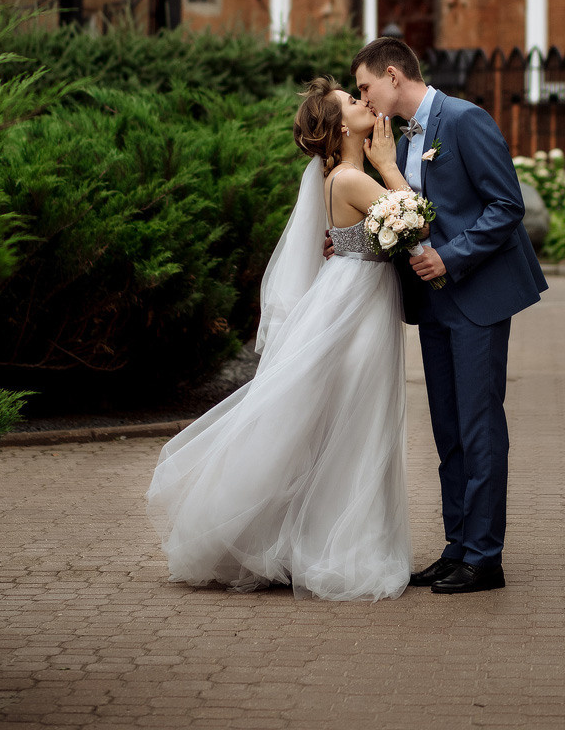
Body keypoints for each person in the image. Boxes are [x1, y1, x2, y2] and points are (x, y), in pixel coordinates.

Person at [146, 76, 414, 601]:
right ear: (341, 127)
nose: (365, 103)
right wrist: (390, 165)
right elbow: (413, 226)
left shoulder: (339, 175)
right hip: (356, 310)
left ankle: (318, 536)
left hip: (355, 298)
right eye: (352, 102)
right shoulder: (354, 178)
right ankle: (340, 547)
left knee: (345, 421)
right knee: (359, 423)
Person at [350, 36, 547, 594]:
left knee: (479, 424)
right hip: (432, 301)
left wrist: (451, 256)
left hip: (477, 296)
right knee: (448, 427)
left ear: (393, 75)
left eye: (366, 88)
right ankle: (458, 545)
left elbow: (509, 206)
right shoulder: (395, 137)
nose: (364, 100)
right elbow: (403, 212)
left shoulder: (465, 120)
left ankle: (485, 558)